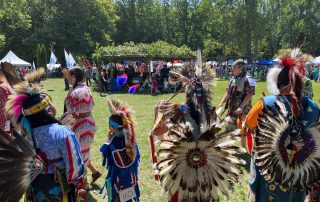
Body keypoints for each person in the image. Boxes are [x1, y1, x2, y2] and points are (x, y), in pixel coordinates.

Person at [245, 54, 320, 202]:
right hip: (300, 172)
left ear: (278, 83)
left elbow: (249, 123)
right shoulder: (313, 107)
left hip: (272, 172)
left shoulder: (266, 103)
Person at [5, 81, 84, 201]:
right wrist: (76, 182)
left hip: (34, 188)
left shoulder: (23, 135)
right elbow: (74, 166)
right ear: (47, 110)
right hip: (59, 190)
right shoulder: (62, 133)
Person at [64, 67, 101, 184]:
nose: (68, 79)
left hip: (81, 124)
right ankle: (93, 174)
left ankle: (82, 183)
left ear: (74, 76)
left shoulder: (75, 92)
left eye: (69, 76)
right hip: (88, 122)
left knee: (80, 153)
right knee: (83, 151)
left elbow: (70, 110)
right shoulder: (85, 88)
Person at [100, 99, 140, 202]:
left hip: (117, 179)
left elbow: (105, 156)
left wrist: (108, 140)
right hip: (130, 179)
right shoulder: (132, 141)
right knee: (127, 199)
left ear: (112, 127)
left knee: (117, 198)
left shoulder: (111, 143)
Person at [218, 59, 256, 129]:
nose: (232, 70)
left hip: (243, 108)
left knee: (242, 129)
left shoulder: (249, 78)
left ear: (241, 68)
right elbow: (228, 92)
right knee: (229, 128)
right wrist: (221, 103)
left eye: (234, 68)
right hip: (232, 107)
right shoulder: (233, 78)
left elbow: (249, 95)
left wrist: (241, 107)